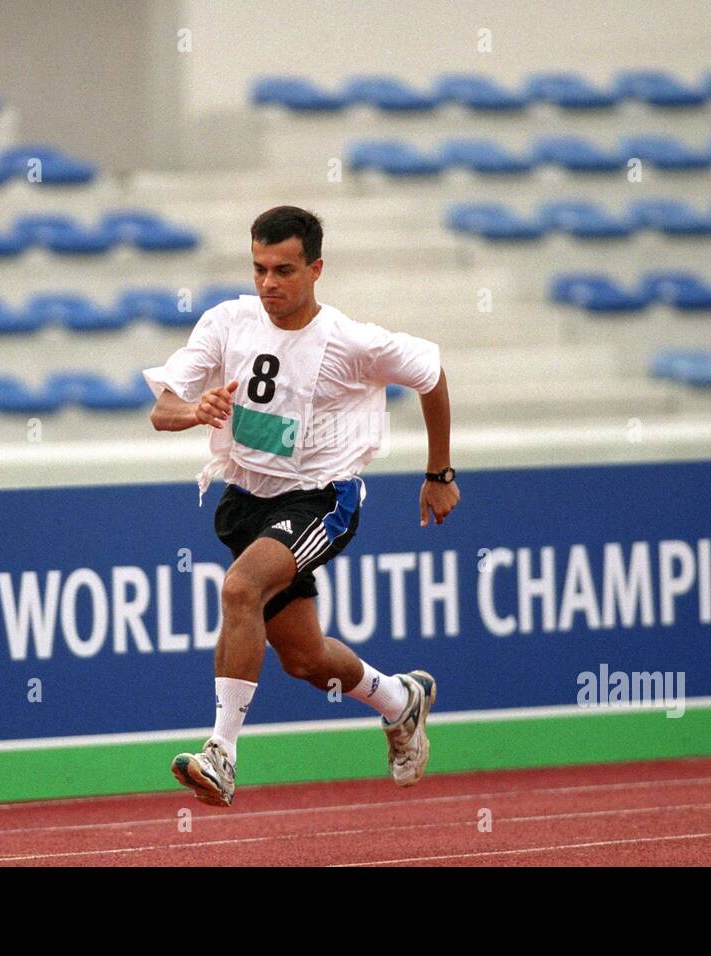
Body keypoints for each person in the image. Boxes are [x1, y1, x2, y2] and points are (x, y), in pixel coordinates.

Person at [143, 205, 459, 807]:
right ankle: (401, 700)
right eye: (260, 268)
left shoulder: (350, 341)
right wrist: (194, 410)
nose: (269, 283)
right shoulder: (228, 321)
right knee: (305, 659)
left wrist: (439, 472)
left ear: (316, 269)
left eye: (284, 269)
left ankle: (222, 754)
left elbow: (432, 374)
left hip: (322, 497)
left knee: (240, 589)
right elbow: (162, 409)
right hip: (247, 502)